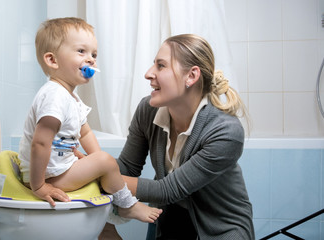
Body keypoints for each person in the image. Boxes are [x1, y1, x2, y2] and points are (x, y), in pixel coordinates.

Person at [99, 34, 254, 239]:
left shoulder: (225, 131)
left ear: (191, 76)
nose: (148, 73)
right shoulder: (148, 110)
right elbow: (128, 167)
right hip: (169, 222)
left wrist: (97, 175)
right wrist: (84, 167)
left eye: (161, 66)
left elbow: (167, 190)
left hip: (221, 230)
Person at [18, 17, 162, 223]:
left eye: (94, 54)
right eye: (81, 51)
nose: (91, 59)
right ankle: (127, 206)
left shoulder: (70, 97)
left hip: (56, 169)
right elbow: (40, 143)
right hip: (47, 176)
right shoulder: (54, 96)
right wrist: (39, 185)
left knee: (103, 163)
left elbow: (84, 132)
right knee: (105, 162)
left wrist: (96, 161)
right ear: (52, 60)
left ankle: (107, 227)